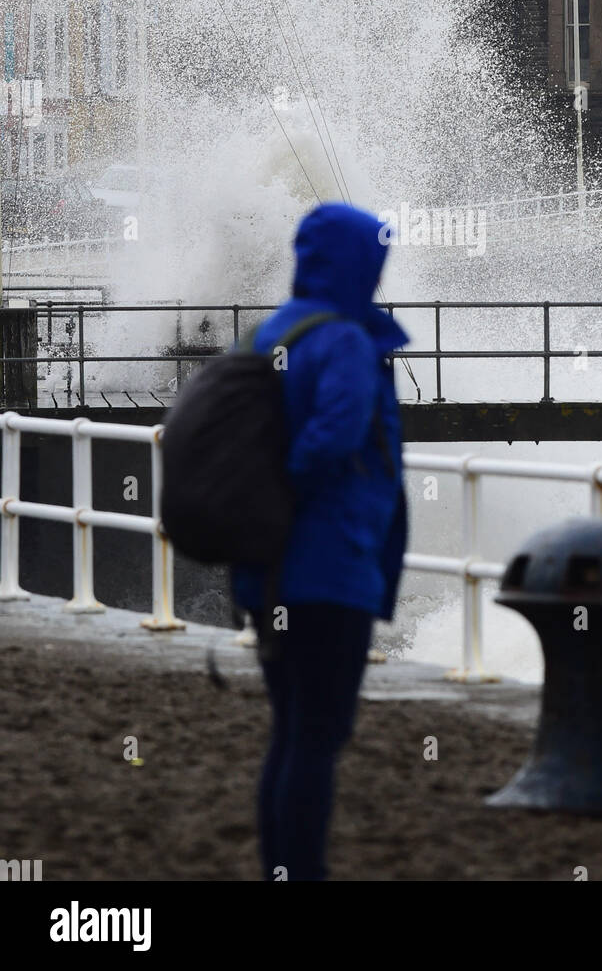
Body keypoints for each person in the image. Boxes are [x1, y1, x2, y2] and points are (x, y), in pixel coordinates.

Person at [232, 202, 408, 882]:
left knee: (291, 728)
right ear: (357, 263)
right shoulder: (341, 340)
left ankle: (281, 869)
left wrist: (272, 509)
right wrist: (295, 494)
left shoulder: (273, 330)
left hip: (269, 569)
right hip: (327, 569)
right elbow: (333, 436)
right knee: (318, 733)